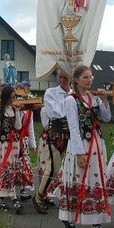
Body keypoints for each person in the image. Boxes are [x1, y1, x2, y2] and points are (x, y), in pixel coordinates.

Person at [55, 65, 112, 228]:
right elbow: (73, 127)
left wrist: (104, 100)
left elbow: (107, 118)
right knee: (77, 179)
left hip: (96, 144)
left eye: (91, 77)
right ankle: (68, 215)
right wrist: (79, 153)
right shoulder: (71, 100)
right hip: (81, 144)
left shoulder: (94, 99)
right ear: (77, 80)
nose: (89, 80)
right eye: (86, 77)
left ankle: (97, 222)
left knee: (96, 180)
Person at [33, 69, 71, 214]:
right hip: (56, 133)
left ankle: (67, 198)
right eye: (60, 77)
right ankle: (38, 196)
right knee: (53, 168)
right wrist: (68, 101)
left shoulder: (74, 92)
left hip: (72, 133)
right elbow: (55, 113)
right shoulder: (51, 92)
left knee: (69, 168)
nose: (62, 80)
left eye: (65, 77)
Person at [0, 86, 23, 212]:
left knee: (11, 169)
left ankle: (12, 195)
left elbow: (18, 127)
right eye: (10, 98)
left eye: (14, 97)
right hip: (1, 145)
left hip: (13, 144)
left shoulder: (14, 109)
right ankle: (1, 197)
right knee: (3, 169)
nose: (12, 100)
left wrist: (18, 112)